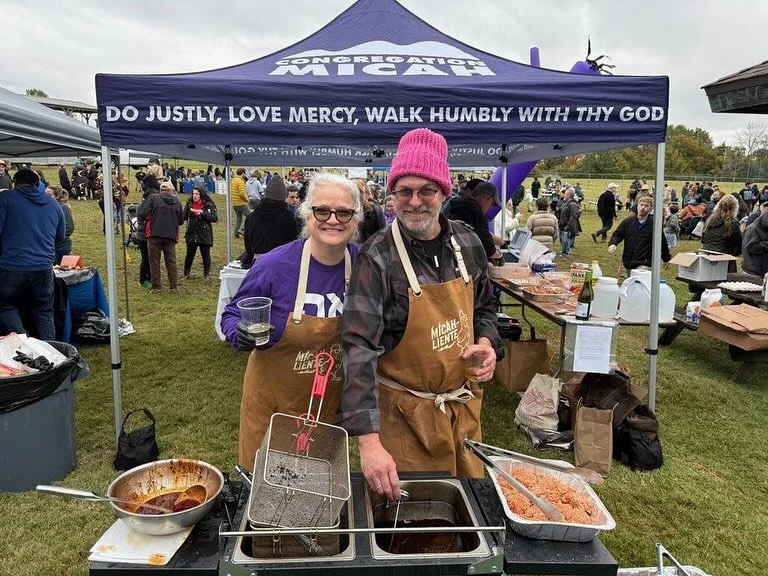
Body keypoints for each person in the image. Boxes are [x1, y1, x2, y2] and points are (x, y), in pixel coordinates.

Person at [340, 128, 502, 500]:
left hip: (461, 412)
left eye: (426, 190)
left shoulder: (468, 242)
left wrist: (487, 342)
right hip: (405, 419)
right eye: (404, 191)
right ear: (392, 196)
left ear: (444, 193)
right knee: (413, 520)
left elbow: (485, 307)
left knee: (468, 508)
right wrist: (368, 442)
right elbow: (357, 348)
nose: (415, 202)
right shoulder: (378, 256)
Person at [220, 173, 362, 470]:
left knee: (317, 487)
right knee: (266, 490)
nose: (332, 220)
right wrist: (239, 333)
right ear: (306, 215)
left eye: (344, 212)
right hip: (273, 408)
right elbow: (232, 313)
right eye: (322, 211)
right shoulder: (274, 265)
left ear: (356, 218)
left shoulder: (365, 265)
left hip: (325, 409)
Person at [0, 169, 65, 339]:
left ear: (15, 182)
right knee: (43, 311)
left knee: (4, 306)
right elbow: (60, 236)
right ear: (38, 185)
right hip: (44, 266)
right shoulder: (54, 204)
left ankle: (23, 341)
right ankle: (51, 353)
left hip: (12, 266)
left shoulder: (5, 199)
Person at [241, 176, 299, 268]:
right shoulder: (288, 217)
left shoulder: (251, 217)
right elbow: (293, 243)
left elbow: (248, 245)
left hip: (257, 263)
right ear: (284, 197)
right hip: (280, 264)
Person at [138, 180, 183, 294]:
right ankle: (173, 287)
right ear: (171, 191)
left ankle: (156, 287)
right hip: (170, 235)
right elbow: (181, 221)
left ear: (160, 190)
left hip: (154, 234)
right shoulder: (177, 202)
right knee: (171, 262)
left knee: (154, 262)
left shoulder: (153, 198)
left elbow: (142, 212)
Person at [608, 196, 671, 277]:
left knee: (639, 282)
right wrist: (613, 243)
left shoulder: (655, 225)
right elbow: (617, 234)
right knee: (631, 283)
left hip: (644, 262)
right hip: (628, 260)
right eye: (641, 205)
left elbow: (662, 242)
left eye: (646, 206)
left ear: (651, 209)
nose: (643, 208)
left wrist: (666, 258)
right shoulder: (628, 222)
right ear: (637, 206)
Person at [446, 181, 504, 262]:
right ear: (484, 198)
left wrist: (502, 242)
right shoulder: (474, 211)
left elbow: (481, 232)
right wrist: (499, 255)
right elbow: (489, 250)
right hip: (460, 259)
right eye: (492, 203)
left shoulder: (461, 205)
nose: (491, 208)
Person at [182, 185, 219, 280]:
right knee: (189, 254)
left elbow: (214, 218)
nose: (195, 196)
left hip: (204, 232)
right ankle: (186, 273)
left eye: (197, 194)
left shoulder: (208, 205)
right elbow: (184, 217)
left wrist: (203, 213)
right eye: (193, 194)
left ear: (201, 195)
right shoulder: (189, 203)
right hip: (192, 232)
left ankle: (206, 274)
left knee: (205, 254)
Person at [701, 195, 741, 272]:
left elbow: (703, 239)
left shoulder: (710, 220)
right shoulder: (733, 223)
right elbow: (738, 242)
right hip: (724, 259)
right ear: (735, 208)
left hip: (707, 255)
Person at [136, 174, 160, 289]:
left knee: (149, 257)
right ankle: (144, 279)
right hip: (146, 231)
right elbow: (142, 212)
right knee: (148, 257)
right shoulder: (152, 195)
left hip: (145, 231)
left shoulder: (148, 195)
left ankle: (149, 278)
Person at [47, 186, 75, 263]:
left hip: (60, 247)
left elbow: (69, 228)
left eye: (49, 195)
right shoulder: (45, 208)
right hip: (48, 245)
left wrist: (55, 238)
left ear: (57, 197)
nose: (45, 196)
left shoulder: (64, 208)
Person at [356, 179, 386, 244]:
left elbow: (381, 232)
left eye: (360, 192)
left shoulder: (374, 210)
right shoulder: (346, 209)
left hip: (368, 248)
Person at [742, 212, 768, 277]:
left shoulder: (764, 228)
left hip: (762, 268)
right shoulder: (752, 229)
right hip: (752, 270)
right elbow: (751, 248)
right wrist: (766, 245)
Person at [558, 188, 581, 255]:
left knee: (565, 240)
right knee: (562, 239)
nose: (563, 195)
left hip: (567, 226)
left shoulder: (573, 204)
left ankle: (566, 253)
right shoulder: (565, 203)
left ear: (569, 195)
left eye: (565, 194)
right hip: (562, 225)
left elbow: (573, 216)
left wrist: (568, 226)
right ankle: (564, 251)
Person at [231, 167, 251, 237]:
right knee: (251, 216)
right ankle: (242, 230)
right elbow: (242, 194)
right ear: (243, 173)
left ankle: (236, 233)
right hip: (241, 203)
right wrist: (247, 200)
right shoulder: (240, 181)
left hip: (234, 203)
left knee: (239, 219)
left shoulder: (234, 180)